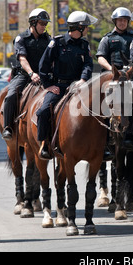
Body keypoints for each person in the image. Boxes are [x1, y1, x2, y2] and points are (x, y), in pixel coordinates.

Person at [36, 11, 96, 159]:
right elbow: (43, 65)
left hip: (79, 86)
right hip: (59, 87)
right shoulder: (57, 42)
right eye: (86, 26)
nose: (87, 29)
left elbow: (88, 65)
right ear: (79, 27)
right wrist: (48, 85)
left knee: (101, 109)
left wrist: (83, 79)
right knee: (43, 111)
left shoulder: (84, 44)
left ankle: (103, 145)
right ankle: (45, 143)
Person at [96, 7, 133, 206]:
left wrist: (131, 69)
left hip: (130, 76)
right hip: (112, 76)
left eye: (125, 20)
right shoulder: (107, 38)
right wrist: (111, 69)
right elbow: (100, 57)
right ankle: (102, 139)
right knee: (99, 105)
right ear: (114, 21)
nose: (122, 23)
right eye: (119, 20)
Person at [1, 8, 51, 140]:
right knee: (11, 95)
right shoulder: (21, 38)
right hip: (24, 74)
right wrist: (31, 73)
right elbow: (22, 58)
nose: (44, 26)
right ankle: (8, 127)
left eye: (46, 24)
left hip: (43, 75)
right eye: (41, 23)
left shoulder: (48, 39)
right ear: (33, 23)